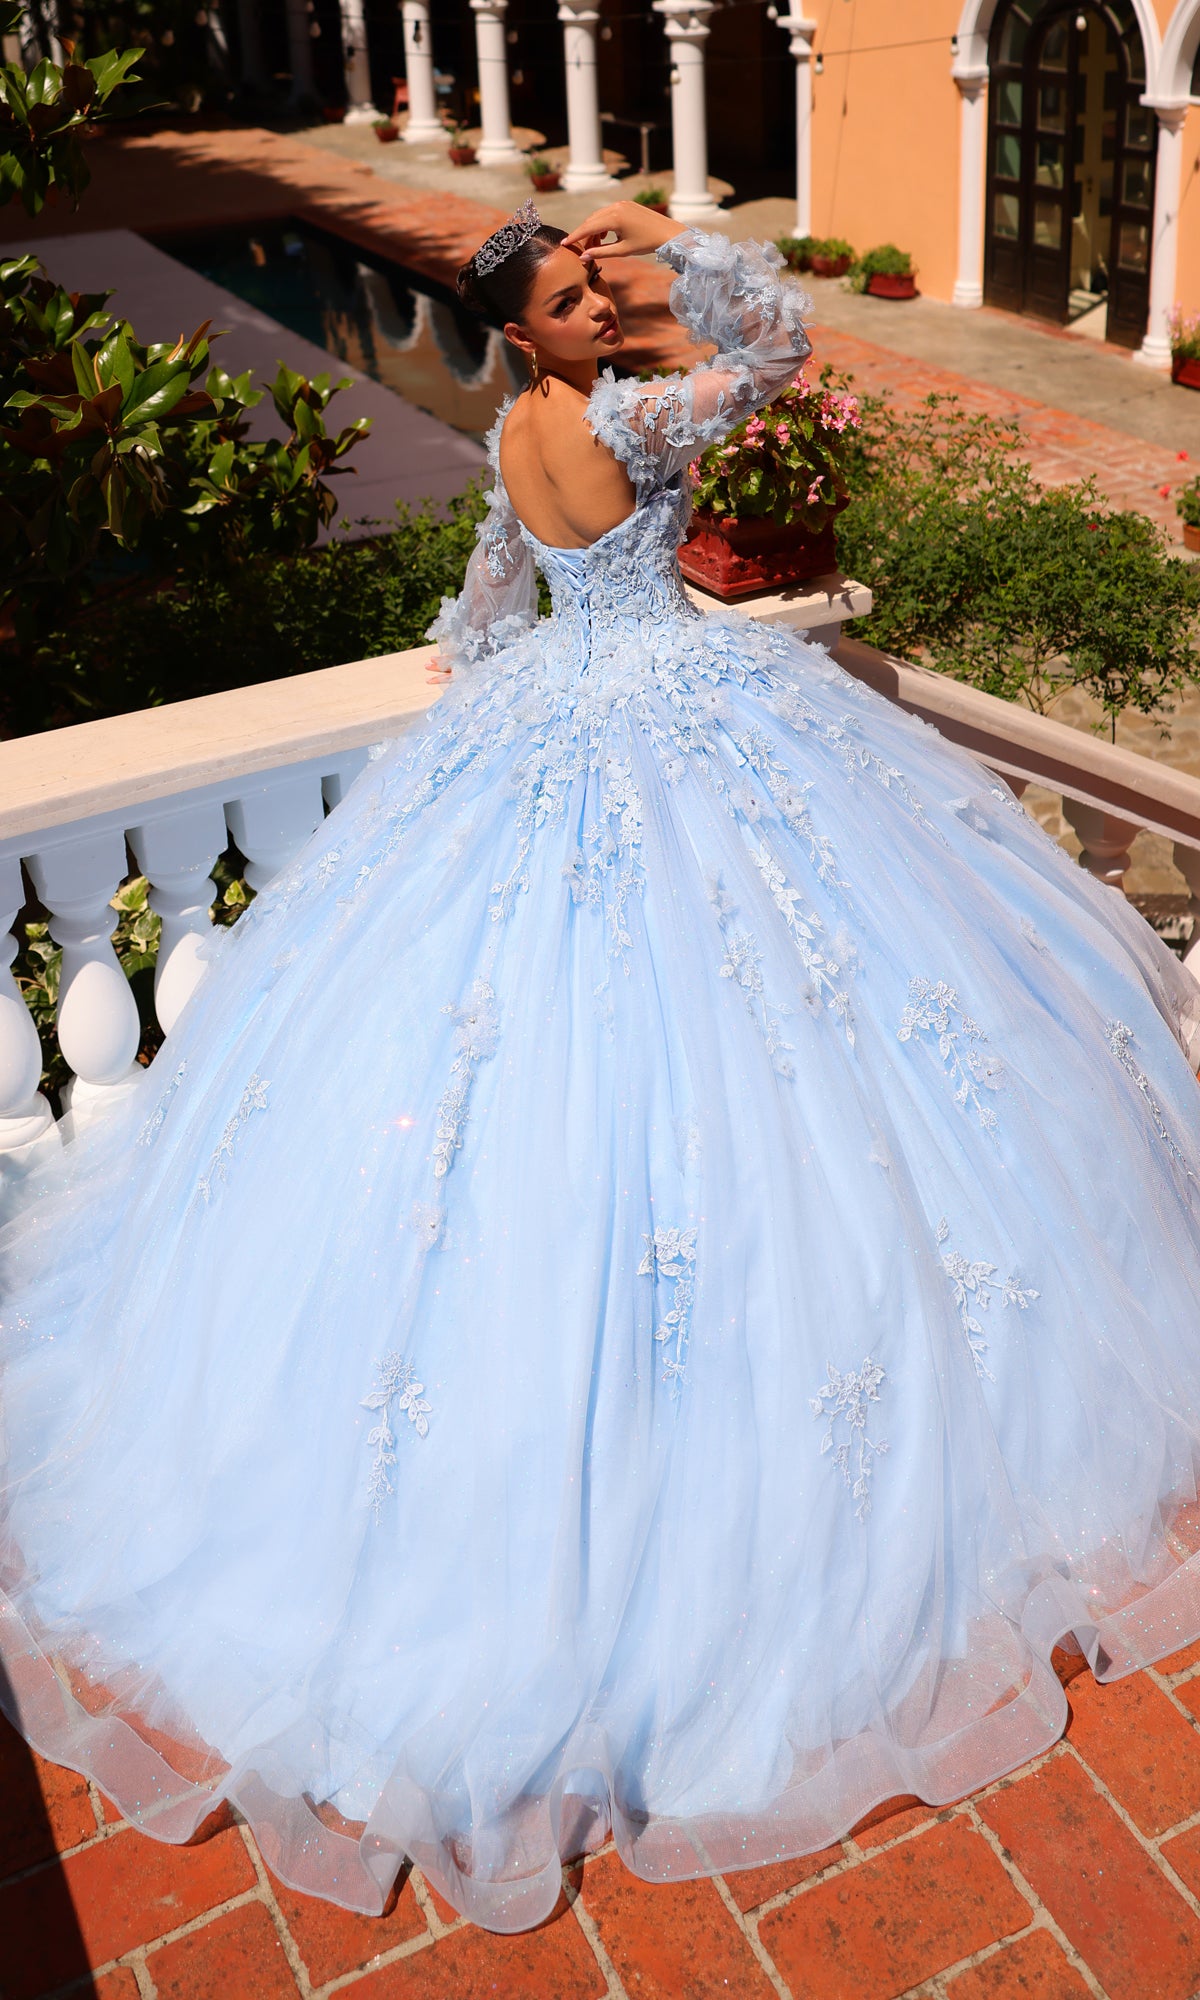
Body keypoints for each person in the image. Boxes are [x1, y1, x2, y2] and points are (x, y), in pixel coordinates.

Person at [3, 198, 1200, 1940]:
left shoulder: (514, 432)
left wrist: (478, 654)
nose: (594, 306)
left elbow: (500, 590)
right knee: (735, 1065)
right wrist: (686, 256)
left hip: (553, 717)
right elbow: (784, 357)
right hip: (673, 724)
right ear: (530, 331)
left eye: (592, 287)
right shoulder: (632, 413)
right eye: (569, 298)